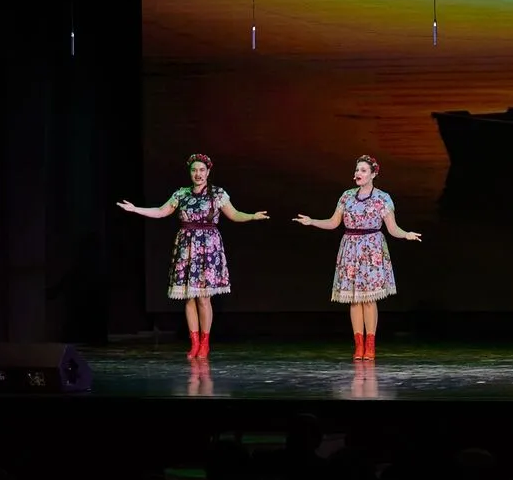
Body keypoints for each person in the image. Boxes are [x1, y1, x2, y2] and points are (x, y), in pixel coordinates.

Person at [117, 153, 269, 359]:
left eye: (202, 170)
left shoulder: (217, 194)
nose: (198, 174)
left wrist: (252, 216)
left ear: (208, 172)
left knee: (204, 298)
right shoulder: (181, 194)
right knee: (189, 297)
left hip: (208, 247)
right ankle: (194, 343)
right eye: (194, 170)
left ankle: (205, 343)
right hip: (186, 247)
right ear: (190, 172)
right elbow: (161, 211)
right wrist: (136, 209)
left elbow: (234, 214)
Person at [292, 155, 421, 360]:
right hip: (351, 249)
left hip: (371, 249)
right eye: (357, 170)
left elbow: (392, 228)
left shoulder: (382, 198)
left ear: (373, 174)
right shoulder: (347, 196)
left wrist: (406, 234)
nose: (358, 173)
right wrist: (312, 221)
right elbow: (334, 222)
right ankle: (358, 346)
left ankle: (370, 346)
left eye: (363, 170)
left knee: (368, 299)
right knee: (353, 299)